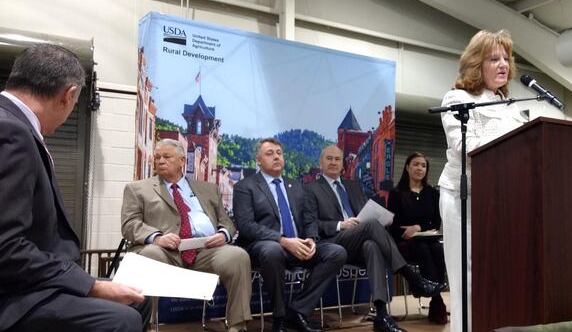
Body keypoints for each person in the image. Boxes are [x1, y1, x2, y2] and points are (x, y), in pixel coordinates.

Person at [0, 44, 149, 332]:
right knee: (122, 318)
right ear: (68, 96)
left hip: (27, 280)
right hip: (14, 294)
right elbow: (5, 248)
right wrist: (90, 284)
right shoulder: (12, 132)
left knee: (137, 298)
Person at [438, 29, 527, 331]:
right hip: (462, 197)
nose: (503, 64)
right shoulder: (458, 98)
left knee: (497, 278)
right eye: (494, 59)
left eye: (506, 58)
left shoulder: (509, 104)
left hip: (501, 200)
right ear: (477, 64)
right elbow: (464, 147)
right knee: (467, 279)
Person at [305, 145, 446, 332]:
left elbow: (367, 213)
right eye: (329, 159)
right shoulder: (311, 188)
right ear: (321, 162)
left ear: (343, 164)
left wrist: (383, 218)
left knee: (372, 245)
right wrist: (340, 224)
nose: (333, 162)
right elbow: (310, 222)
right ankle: (413, 278)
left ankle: (381, 315)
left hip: (359, 240)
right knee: (372, 227)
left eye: (337, 159)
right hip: (334, 241)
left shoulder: (353, 186)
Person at [121, 139, 252, 332]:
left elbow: (227, 223)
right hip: (165, 250)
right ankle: (145, 326)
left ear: (182, 161)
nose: (160, 161)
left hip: (204, 250)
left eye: (167, 157)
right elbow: (129, 224)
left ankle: (237, 326)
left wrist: (224, 234)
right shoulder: (137, 189)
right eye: (157, 157)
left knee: (238, 256)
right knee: (150, 256)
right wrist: (157, 237)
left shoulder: (208, 189)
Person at [233, 138, 346, 332]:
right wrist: (283, 241)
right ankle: (279, 317)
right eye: (270, 154)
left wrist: (311, 240)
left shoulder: (297, 186)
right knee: (272, 250)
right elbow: (245, 226)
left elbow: (309, 219)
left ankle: (298, 309)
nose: (276, 156)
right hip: (266, 246)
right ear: (258, 160)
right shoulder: (246, 186)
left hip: (298, 245)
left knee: (337, 252)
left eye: (279, 153)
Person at [386, 152, 447, 324]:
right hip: (406, 244)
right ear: (407, 167)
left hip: (428, 241)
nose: (420, 168)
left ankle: (431, 293)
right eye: (416, 164)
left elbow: (436, 223)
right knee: (423, 248)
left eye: (423, 165)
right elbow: (393, 226)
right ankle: (437, 300)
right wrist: (407, 232)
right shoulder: (397, 194)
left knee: (436, 248)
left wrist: (417, 228)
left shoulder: (432, 193)